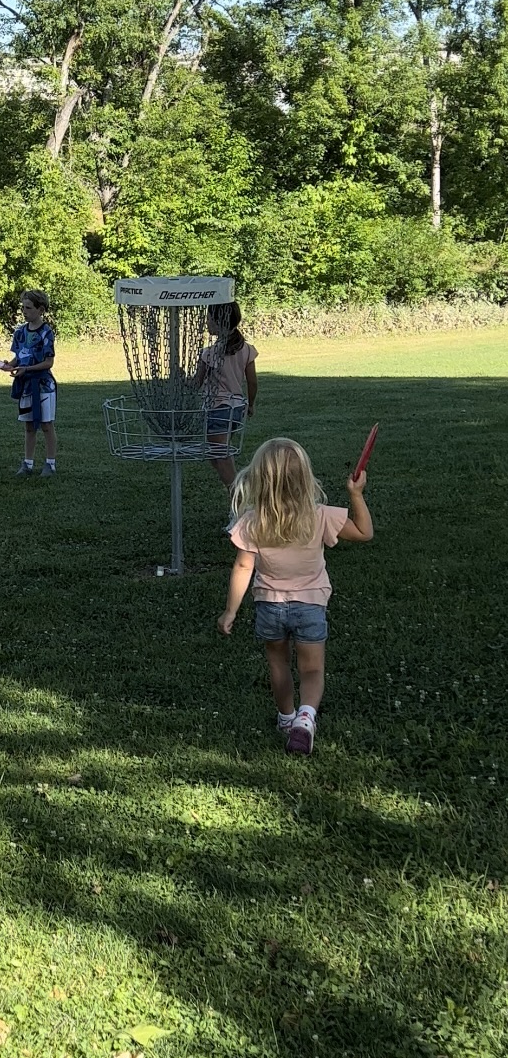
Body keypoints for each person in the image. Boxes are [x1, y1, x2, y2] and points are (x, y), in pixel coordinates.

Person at [217, 437, 373, 756]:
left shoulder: (251, 521)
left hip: (270, 607)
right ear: (305, 477)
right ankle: (305, 719)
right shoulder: (320, 515)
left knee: (278, 664)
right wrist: (356, 494)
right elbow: (364, 532)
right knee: (312, 670)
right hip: (310, 606)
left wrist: (230, 611)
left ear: (260, 478)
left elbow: (243, 567)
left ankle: (286, 717)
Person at [195, 299, 257, 489]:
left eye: (209, 318)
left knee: (220, 457)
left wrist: (180, 377)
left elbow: (195, 384)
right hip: (236, 408)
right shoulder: (245, 349)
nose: (206, 322)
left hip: (218, 409)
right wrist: (251, 404)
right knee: (217, 455)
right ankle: (238, 494)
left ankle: (239, 499)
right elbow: (252, 382)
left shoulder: (210, 353)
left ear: (218, 321)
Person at [0, 290, 57, 476]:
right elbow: (20, 356)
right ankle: (28, 464)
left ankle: (50, 464)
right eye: (23, 307)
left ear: (40, 309)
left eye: (28, 308)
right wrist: (9, 365)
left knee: (46, 424)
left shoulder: (46, 332)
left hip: (43, 385)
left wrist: (28, 369)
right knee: (29, 426)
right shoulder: (20, 332)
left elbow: (49, 362)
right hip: (25, 385)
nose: (24, 311)